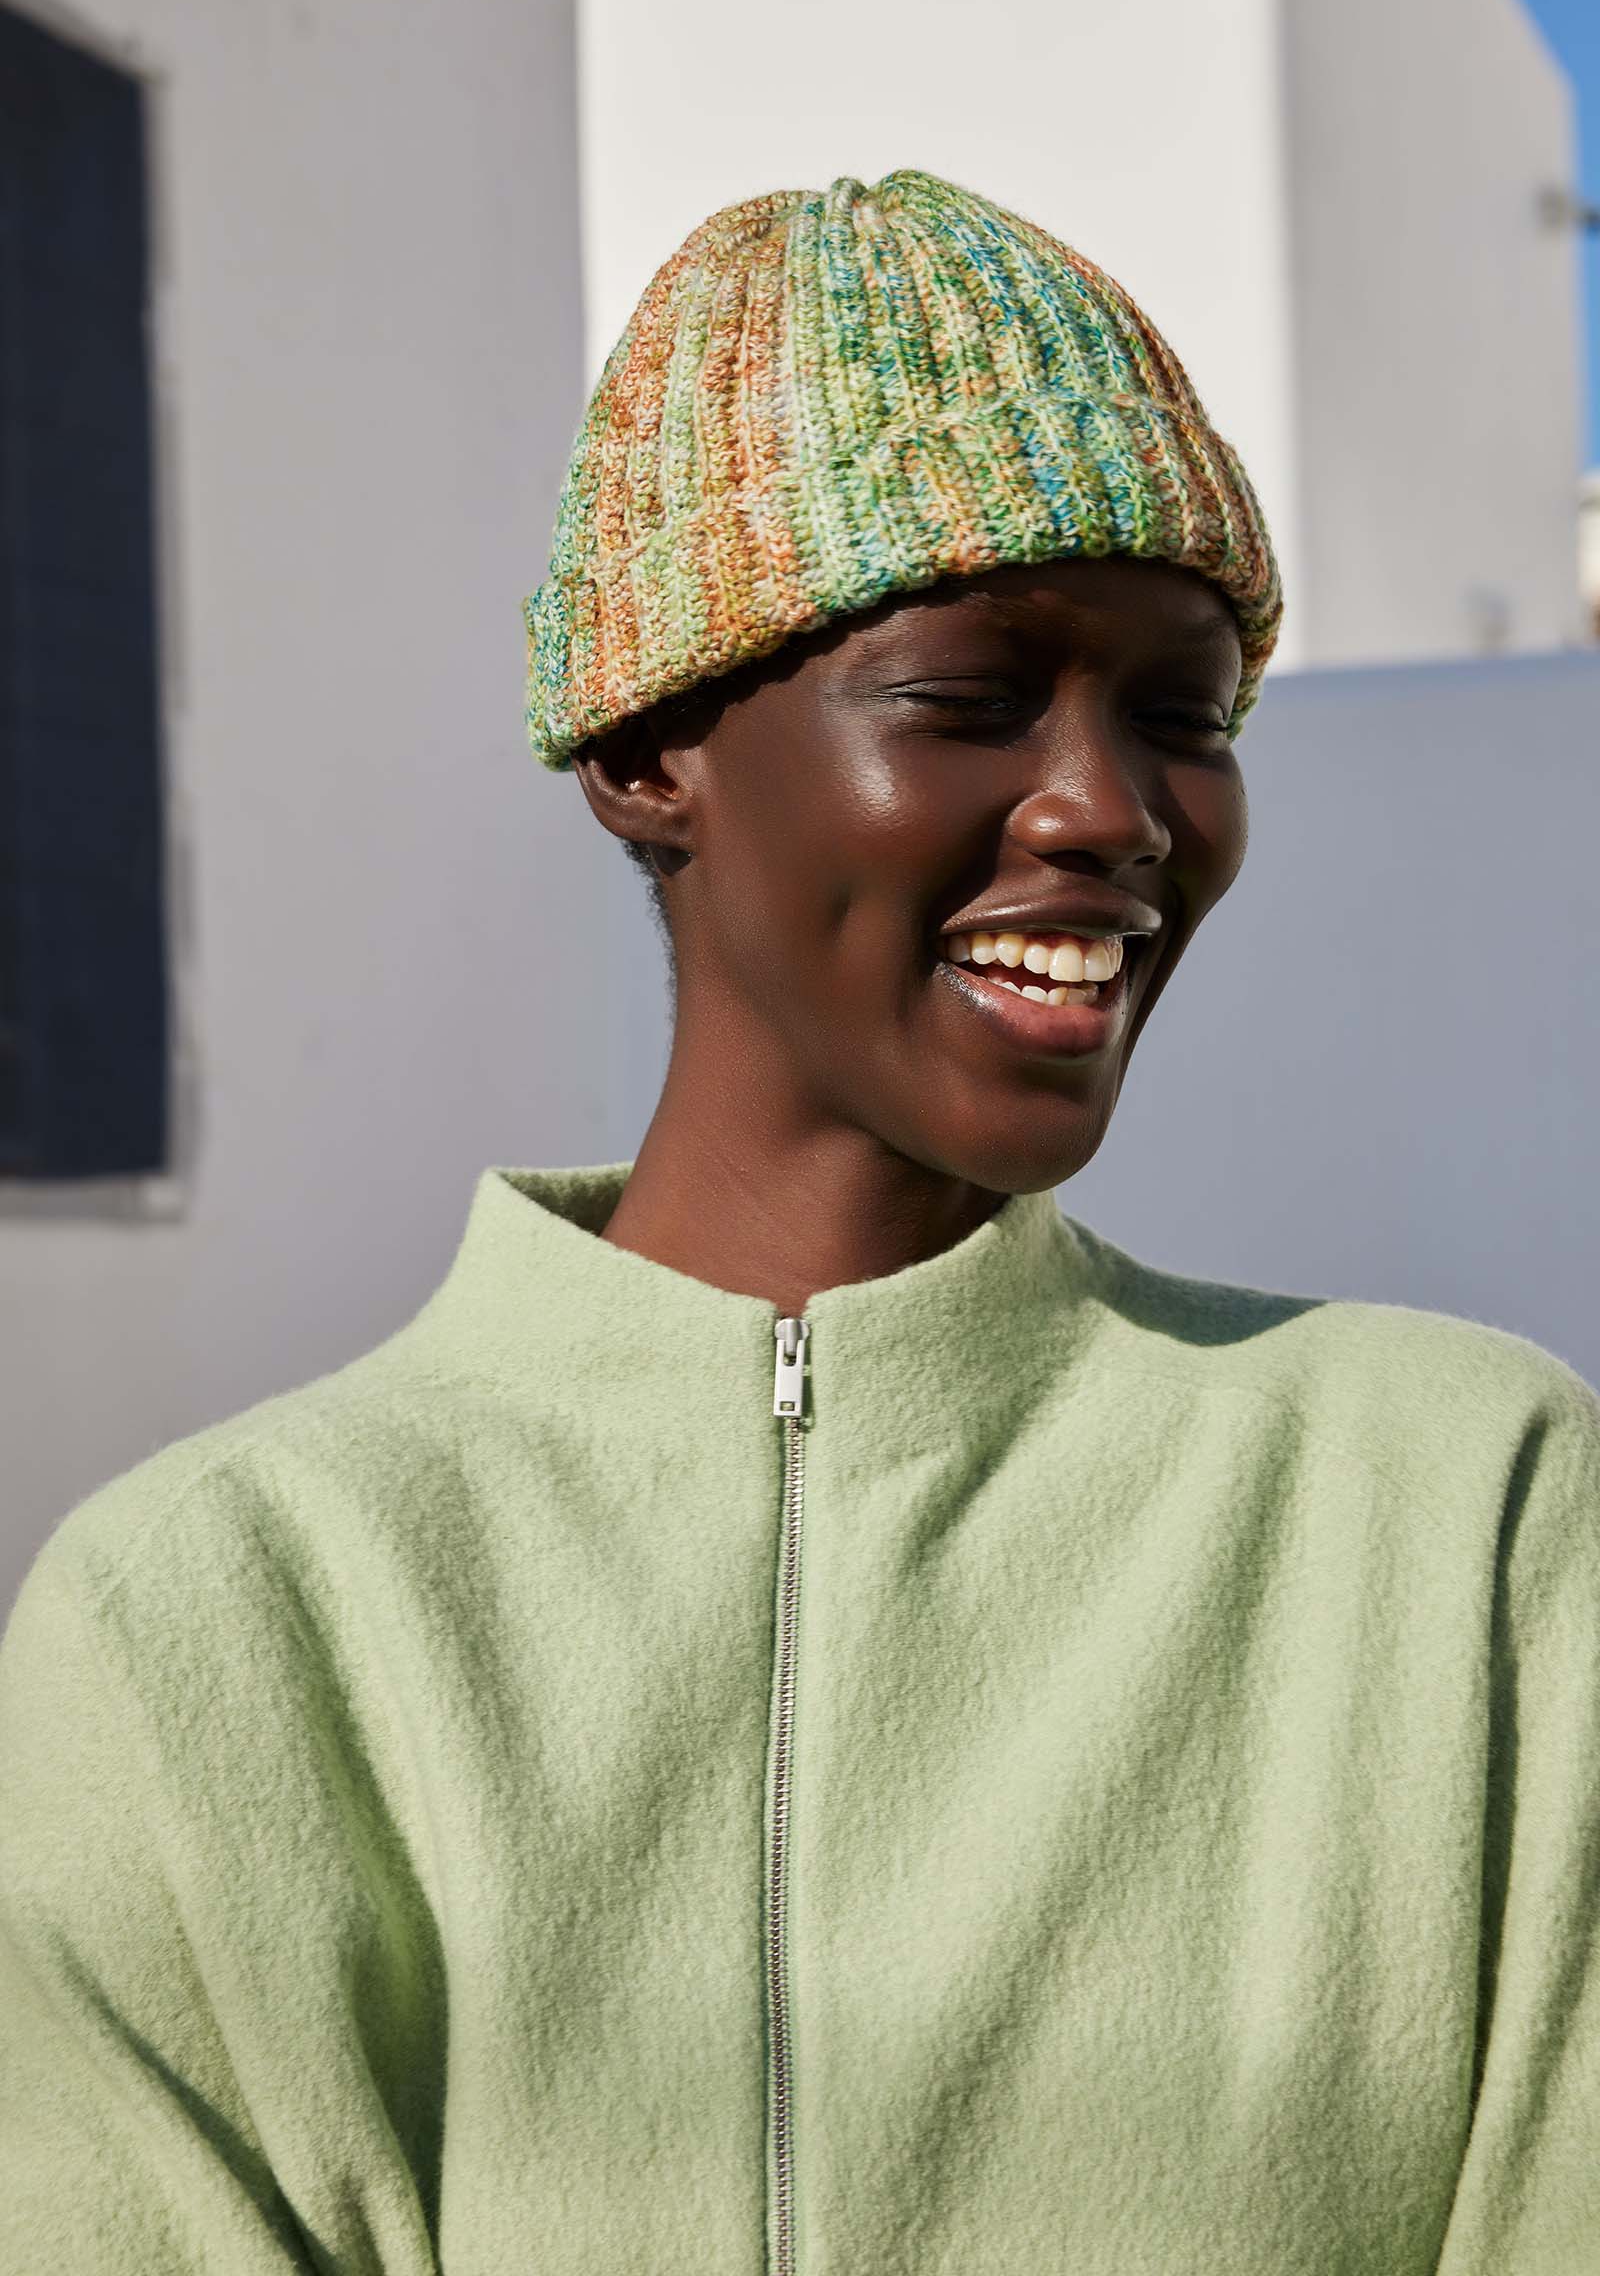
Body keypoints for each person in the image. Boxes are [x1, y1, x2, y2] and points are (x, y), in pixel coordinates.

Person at [2, 168, 1596, 2275]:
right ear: (645, 747)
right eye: (970, 693)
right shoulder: (214, 1617)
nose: (1109, 808)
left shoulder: (1471, 1518)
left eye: (1185, 716)